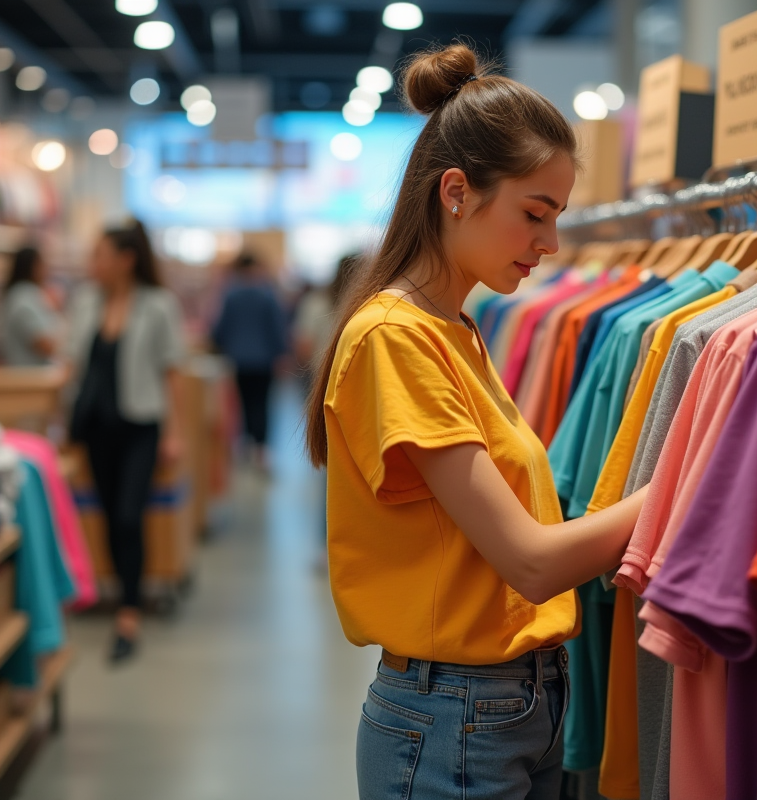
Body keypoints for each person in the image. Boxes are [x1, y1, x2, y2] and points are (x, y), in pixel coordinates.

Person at [304, 44, 648, 799]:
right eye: (535, 214)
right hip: (455, 716)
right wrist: (685, 486)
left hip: (508, 704)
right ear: (456, 191)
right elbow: (527, 561)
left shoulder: (454, 327)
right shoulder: (396, 338)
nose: (550, 245)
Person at [66, 220, 187, 664]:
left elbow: (171, 371)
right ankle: (121, 595)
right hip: (95, 428)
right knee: (107, 515)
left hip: (141, 426)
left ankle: (130, 613)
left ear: (126, 259)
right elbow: (72, 361)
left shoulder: (157, 306)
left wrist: (175, 432)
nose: (92, 264)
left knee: (128, 516)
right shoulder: (84, 303)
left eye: (100, 254)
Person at [211, 252, 288, 471]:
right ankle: (261, 449)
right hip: (264, 360)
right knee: (262, 403)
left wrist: (220, 346)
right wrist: (281, 354)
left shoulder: (231, 295)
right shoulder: (267, 294)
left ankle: (245, 445)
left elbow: (221, 329)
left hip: (239, 359)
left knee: (244, 403)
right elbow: (276, 328)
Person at [293, 254, 360, 394]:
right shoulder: (364, 306)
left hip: (320, 373)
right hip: (353, 374)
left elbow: (304, 344)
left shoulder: (315, 302)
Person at [0, 246, 59, 366]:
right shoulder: (23, 298)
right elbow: (45, 345)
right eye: (42, 264)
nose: (46, 270)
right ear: (33, 267)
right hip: (28, 378)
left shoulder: (22, 294)